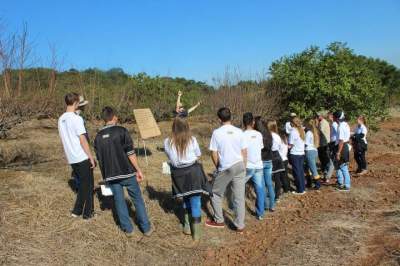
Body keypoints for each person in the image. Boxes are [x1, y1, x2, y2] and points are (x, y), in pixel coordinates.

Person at [94, 107, 153, 237]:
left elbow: (100, 159)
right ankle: (146, 228)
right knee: (137, 199)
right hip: (127, 173)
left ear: (104, 119)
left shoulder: (98, 137)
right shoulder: (122, 131)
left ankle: (128, 230)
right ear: (114, 117)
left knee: (119, 201)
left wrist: (105, 177)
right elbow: (130, 153)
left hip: (111, 175)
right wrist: (138, 169)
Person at [164, 117, 210, 241]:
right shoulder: (192, 139)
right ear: (186, 127)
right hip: (193, 172)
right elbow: (198, 155)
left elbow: (169, 157)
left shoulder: (167, 141)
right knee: (195, 201)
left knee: (185, 198)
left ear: (173, 127)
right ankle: (197, 234)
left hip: (178, 174)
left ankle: (187, 227)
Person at [205, 107, 247, 233]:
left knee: (214, 193)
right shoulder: (239, 131)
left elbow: (213, 153)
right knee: (239, 197)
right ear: (231, 117)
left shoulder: (217, 133)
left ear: (219, 119)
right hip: (240, 165)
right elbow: (244, 151)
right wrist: (244, 166)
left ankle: (219, 220)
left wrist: (218, 166)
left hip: (227, 167)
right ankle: (240, 225)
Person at [58, 92, 95, 219]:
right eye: (78, 103)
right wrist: (90, 156)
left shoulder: (61, 118)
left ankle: (85, 212)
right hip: (81, 156)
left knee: (85, 185)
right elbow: (82, 140)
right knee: (87, 186)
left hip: (71, 158)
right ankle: (82, 212)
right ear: (75, 103)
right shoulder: (77, 119)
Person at [242, 112, 265, 220]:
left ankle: (236, 208)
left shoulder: (242, 135)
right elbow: (260, 147)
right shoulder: (259, 134)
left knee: (238, 187)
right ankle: (260, 213)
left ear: (243, 123)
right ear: (253, 122)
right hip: (258, 165)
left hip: (248, 165)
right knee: (260, 189)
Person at [254, 117, 276, 212]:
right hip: (269, 160)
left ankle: (264, 205)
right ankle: (272, 205)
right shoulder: (269, 134)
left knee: (262, 185)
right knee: (269, 184)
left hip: (261, 160)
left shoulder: (258, 135)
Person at [71, 95, 90, 192]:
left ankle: (81, 187)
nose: (84, 107)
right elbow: (82, 137)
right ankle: (82, 190)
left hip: (74, 150)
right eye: (83, 105)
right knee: (82, 171)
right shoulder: (77, 118)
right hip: (80, 149)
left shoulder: (72, 116)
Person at [267, 120, 287, 203]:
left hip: (272, 155)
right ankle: (277, 195)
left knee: (271, 178)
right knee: (277, 178)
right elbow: (279, 146)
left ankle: (273, 195)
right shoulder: (277, 136)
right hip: (277, 156)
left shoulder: (269, 136)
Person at [333, 111, 351, 191]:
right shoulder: (346, 124)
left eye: (334, 117)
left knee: (343, 167)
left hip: (342, 147)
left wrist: (338, 152)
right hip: (345, 146)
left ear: (337, 118)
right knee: (339, 165)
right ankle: (340, 183)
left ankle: (347, 185)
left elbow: (341, 140)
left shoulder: (340, 126)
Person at [288, 117, 306, 194]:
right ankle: (303, 188)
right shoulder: (302, 130)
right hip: (301, 153)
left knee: (297, 172)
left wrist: (286, 147)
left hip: (295, 153)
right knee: (301, 171)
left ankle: (300, 190)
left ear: (292, 123)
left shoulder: (293, 131)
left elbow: (291, 144)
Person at [304, 118, 321, 190]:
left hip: (309, 152)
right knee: (308, 168)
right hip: (314, 151)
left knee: (313, 169)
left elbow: (306, 144)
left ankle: (318, 184)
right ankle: (309, 182)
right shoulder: (315, 131)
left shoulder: (308, 133)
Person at [317, 110, 333, 182]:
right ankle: (325, 174)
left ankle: (327, 176)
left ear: (321, 116)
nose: (317, 117)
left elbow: (319, 132)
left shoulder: (324, 123)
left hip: (325, 144)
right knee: (323, 160)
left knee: (327, 160)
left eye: (318, 116)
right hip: (321, 144)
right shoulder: (321, 122)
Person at [326, 111, 339, 184]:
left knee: (333, 160)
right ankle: (337, 176)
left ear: (332, 117)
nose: (328, 118)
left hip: (334, 144)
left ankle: (328, 177)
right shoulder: (332, 124)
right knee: (333, 160)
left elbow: (338, 133)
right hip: (332, 143)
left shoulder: (334, 124)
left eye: (329, 117)